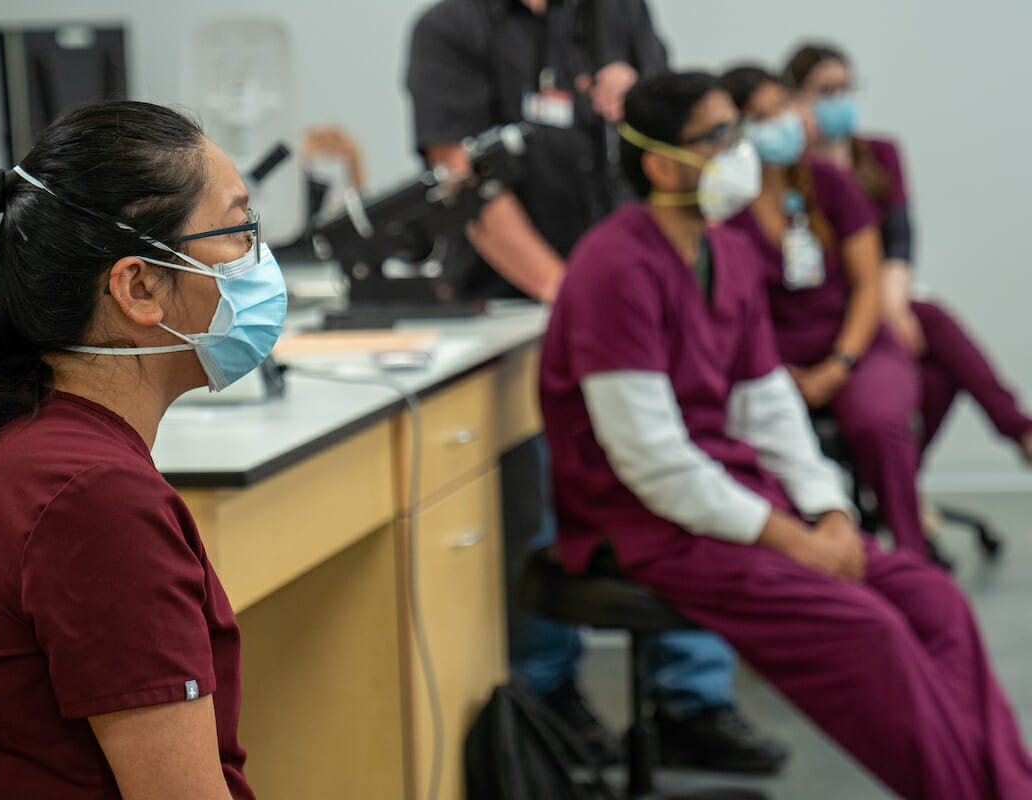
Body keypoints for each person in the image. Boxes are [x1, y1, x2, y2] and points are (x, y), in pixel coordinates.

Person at [541, 68, 1032, 799]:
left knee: (935, 602)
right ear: (660, 162)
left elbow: (768, 405)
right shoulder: (614, 267)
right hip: (648, 521)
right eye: (720, 135)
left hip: (739, 497)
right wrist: (794, 539)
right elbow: (652, 462)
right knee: (874, 633)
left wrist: (829, 510)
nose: (742, 149)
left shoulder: (725, 252)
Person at [0, 100, 287, 799]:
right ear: (139, 286)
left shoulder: (27, 448)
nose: (260, 260)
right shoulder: (92, 500)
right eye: (240, 230)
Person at [406, 0, 786, 774]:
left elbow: (670, 127)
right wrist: (573, 290)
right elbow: (462, 174)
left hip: (638, 290)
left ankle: (695, 699)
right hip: (515, 300)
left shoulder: (619, 12)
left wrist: (633, 90)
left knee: (685, 464)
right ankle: (550, 695)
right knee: (540, 493)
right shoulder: (454, 29)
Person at [784, 42, 1032, 464]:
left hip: (883, 292)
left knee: (936, 376)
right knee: (932, 320)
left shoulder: (878, 154)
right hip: (826, 304)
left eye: (846, 88)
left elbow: (899, 237)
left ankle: (896, 489)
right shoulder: (790, 170)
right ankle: (1021, 432)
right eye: (825, 91)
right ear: (795, 98)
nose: (838, 101)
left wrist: (892, 304)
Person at [719, 66, 931, 558]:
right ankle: (815, 563)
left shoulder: (828, 182)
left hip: (854, 345)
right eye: (763, 115)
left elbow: (868, 283)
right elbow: (731, 309)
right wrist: (774, 372)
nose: (782, 121)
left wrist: (839, 367)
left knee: (878, 422)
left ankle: (911, 558)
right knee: (756, 439)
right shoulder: (726, 207)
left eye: (783, 107)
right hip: (771, 363)